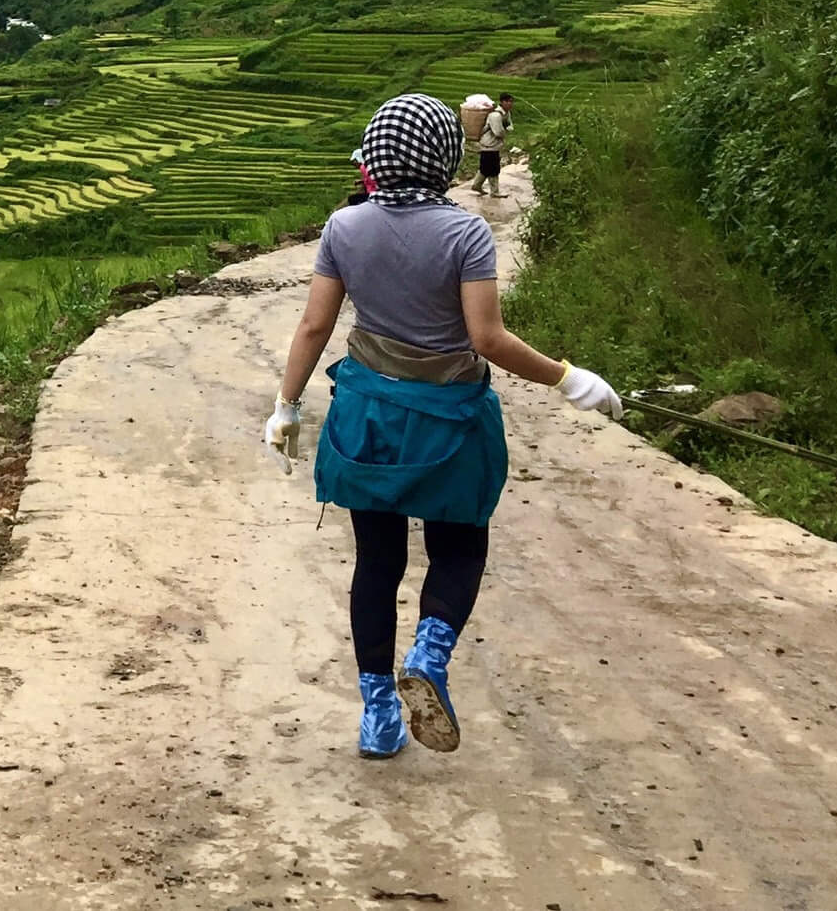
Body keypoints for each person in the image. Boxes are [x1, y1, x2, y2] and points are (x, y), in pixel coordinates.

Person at [263, 93, 621, 759]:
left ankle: (377, 716)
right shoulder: (464, 234)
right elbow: (487, 338)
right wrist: (568, 377)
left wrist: (286, 406)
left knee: (377, 561)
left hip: (368, 417)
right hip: (448, 420)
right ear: (441, 154)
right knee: (459, 548)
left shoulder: (345, 227)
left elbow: (315, 325)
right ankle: (429, 652)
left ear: (377, 151)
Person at [475, 91, 513, 197]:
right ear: (502, 102)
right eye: (508, 101)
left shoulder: (506, 114)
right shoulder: (495, 115)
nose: (510, 104)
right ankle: (494, 192)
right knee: (493, 169)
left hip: (494, 146)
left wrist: (505, 129)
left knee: (487, 168)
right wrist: (505, 131)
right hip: (489, 145)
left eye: (511, 101)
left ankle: (476, 185)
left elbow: (510, 126)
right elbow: (498, 132)